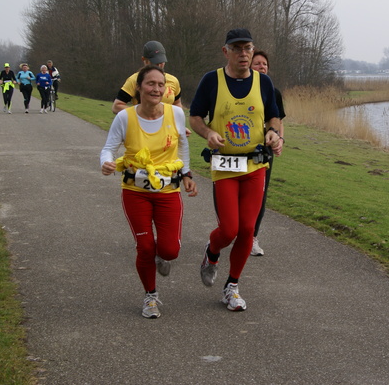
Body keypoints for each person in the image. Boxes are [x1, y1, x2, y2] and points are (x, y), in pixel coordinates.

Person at [189, 28, 282, 311]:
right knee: (228, 229)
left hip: (254, 165)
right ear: (225, 51)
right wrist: (207, 133)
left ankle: (232, 287)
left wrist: (273, 134)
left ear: (253, 50)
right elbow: (195, 117)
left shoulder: (263, 83)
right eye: (237, 48)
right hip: (226, 165)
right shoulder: (211, 81)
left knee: (247, 229)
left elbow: (274, 116)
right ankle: (212, 251)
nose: (243, 53)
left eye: (248, 48)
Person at [100, 65, 197, 319]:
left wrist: (186, 174)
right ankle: (150, 296)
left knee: (169, 251)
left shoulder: (175, 114)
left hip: (168, 191)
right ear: (139, 88)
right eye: (151, 84)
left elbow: (183, 145)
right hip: (135, 191)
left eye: (160, 84)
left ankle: (160, 257)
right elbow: (108, 148)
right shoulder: (125, 117)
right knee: (144, 247)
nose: (156, 89)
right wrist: (106, 162)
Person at [249, 50, 286, 256]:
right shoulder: (241, 89)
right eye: (257, 64)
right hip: (242, 148)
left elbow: (279, 120)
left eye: (264, 64)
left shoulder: (274, 92)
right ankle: (236, 231)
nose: (261, 67)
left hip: (265, 149)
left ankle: (253, 237)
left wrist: (280, 140)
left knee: (260, 195)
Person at [112, 41, 182, 114]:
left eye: (161, 62)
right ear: (144, 60)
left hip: (167, 124)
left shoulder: (173, 81)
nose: (158, 66)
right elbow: (117, 106)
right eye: (155, 62)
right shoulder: (134, 80)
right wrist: (141, 114)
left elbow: (177, 104)